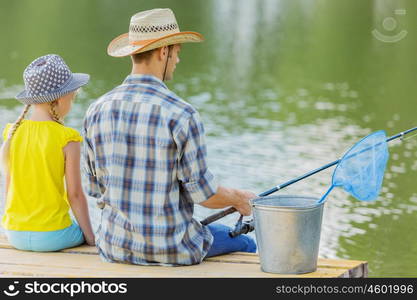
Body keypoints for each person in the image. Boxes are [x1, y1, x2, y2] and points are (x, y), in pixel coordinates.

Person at [83, 8, 256, 266]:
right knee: (247, 243)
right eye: (177, 53)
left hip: (114, 246)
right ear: (164, 51)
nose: (177, 60)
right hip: (173, 250)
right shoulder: (182, 114)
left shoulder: (96, 110)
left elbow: (94, 189)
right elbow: (204, 195)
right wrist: (240, 199)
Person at [0, 54, 95, 252]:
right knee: (80, 231)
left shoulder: (12, 131)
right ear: (60, 99)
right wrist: (91, 237)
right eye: (73, 97)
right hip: (52, 236)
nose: (72, 102)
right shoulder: (68, 138)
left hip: (14, 232)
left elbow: (9, 187)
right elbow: (75, 195)